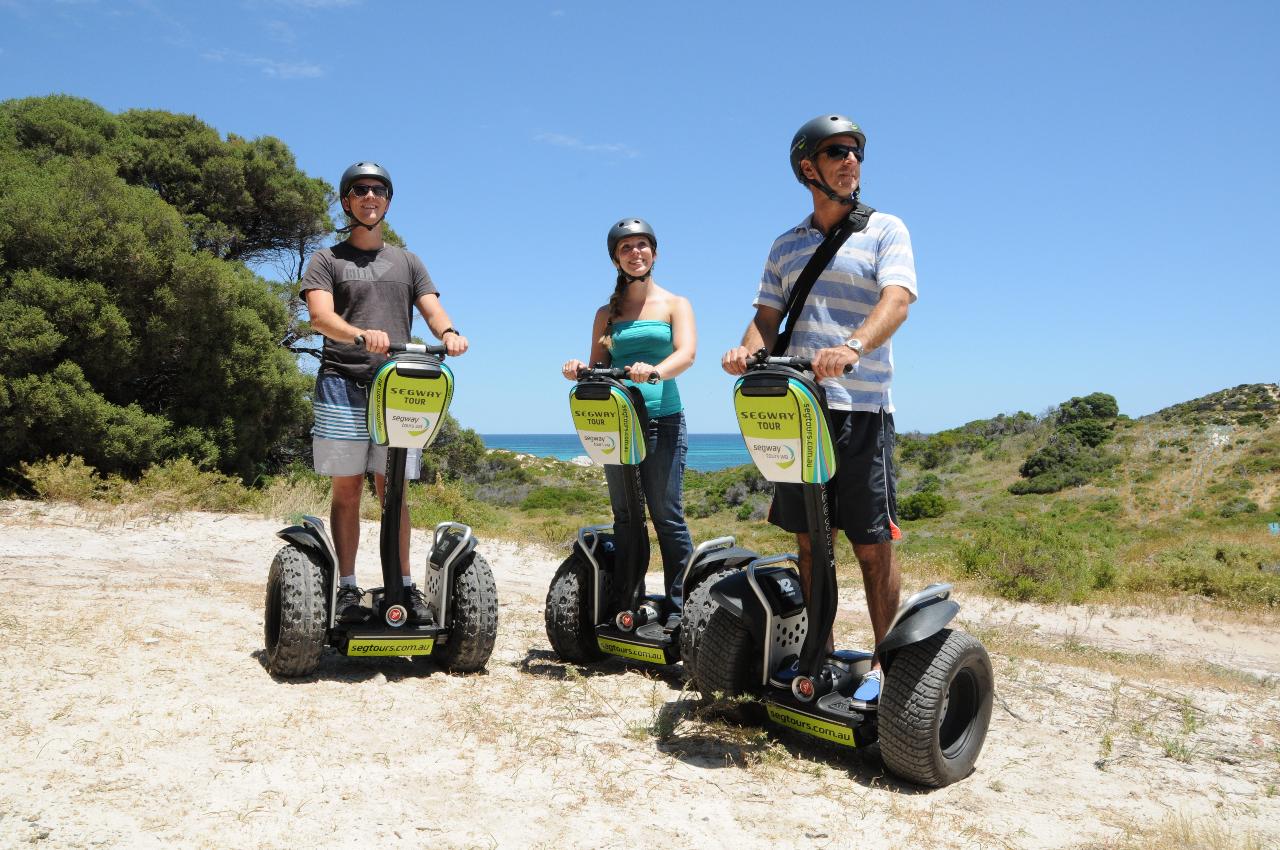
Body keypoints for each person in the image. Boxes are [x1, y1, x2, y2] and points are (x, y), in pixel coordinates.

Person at [721, 115, 917, 705]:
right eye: (837, 152)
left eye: (857, 151)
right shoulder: (785, 244)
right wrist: (745, 353)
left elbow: (898, 299)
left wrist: (853, 346)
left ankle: (889, 665)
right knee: (810, 539)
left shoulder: (885, 229)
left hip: (859, 406)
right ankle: (822, 654)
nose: (851, 160)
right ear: (808, 168)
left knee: (871, 543)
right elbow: (766, 318)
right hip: (796, 410)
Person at [301, 161, 469, 622]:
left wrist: (450, 332)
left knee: (393, 489)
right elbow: (320, 317)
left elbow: (432, 309)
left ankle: (406, 586)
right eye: (361, 190)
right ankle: (349, 589)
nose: (370, 197)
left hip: (398, 389)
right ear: (347, 201)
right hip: (342, 383)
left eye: (378, 190)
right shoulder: (327, 259)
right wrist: (358, 334)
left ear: (388, 202)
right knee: (349, 488)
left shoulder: (407, 261)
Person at [561, 218, 696, 601]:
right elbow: (598, 368)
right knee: (626, 517)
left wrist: (655, 372)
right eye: (626, 248)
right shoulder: (607, 313)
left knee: (667, 517)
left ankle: (679, 606)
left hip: (662, 420)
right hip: (618, 424)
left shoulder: (675, 304)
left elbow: (686, 354)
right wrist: (578, 371)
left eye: (642, 246)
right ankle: (629, 599)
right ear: (615, 259)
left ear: (654, 252)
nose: (635, 253)